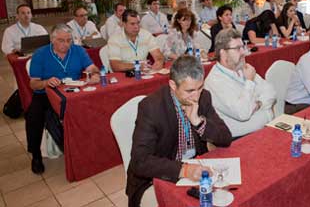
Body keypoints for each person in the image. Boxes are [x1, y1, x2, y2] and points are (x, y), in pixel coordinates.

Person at [126, 55, 232, 207]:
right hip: (159, 175)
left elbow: (226, 138)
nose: (196, 96)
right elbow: (140, 161)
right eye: (189, 90)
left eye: (200, 88)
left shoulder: (204, 97)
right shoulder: (151, 107)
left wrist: (198, 122)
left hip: (196, 166)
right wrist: (185, 170)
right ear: (173, 85)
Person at [28, 24, 100, 174]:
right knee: (34, 116)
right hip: (45, 94)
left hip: (73, 92)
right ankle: (36, 155)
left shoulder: (78, 50)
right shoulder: (40, 54)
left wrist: (94, 74)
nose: (66, 44)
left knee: (94, 107)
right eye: (61, 40)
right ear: (52, 40)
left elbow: (93, 68)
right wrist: (46, 82)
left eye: (69, 40)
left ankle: (89, 148)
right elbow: (33, 83)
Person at [205, 29, 276, 137]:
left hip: (266, 129)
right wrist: (249, 82)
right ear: (223, 53)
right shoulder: (215, 81)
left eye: (243, 47)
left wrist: (258, 104)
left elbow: (271, 92)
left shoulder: (242, 68)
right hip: (242, 139)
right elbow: (243, 113)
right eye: (238, 48)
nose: (244, 52)